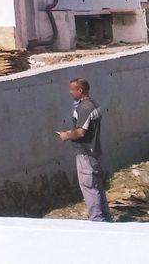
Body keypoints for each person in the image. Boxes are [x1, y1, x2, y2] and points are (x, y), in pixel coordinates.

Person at [56, 78, 112, 222]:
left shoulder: (84, 108)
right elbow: (86, 128)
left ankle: (98, 221)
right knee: (97, 186)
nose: (70, 92)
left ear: (80, 91)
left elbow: (81, 132)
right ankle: (105, 219)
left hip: (86, 154)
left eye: (72, 89)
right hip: (94, 152)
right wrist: (70, 132)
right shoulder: (92, 105)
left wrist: (66, 135)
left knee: (89, 188)